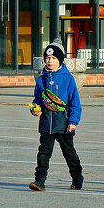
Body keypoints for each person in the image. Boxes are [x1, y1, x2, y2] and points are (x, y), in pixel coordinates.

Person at [29, 41, 83, 191]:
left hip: (64, 123)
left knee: (69, 153)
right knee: (43, 153)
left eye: (53, 58)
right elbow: (38, 99)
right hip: (47, 123)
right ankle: (39, 181)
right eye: (47, 58)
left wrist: (73, 121)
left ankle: (77, 177)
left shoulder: (68, 78)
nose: (50, 61)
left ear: (60, 60)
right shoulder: (42, 79)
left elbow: (75, 103)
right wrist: (35, 108)